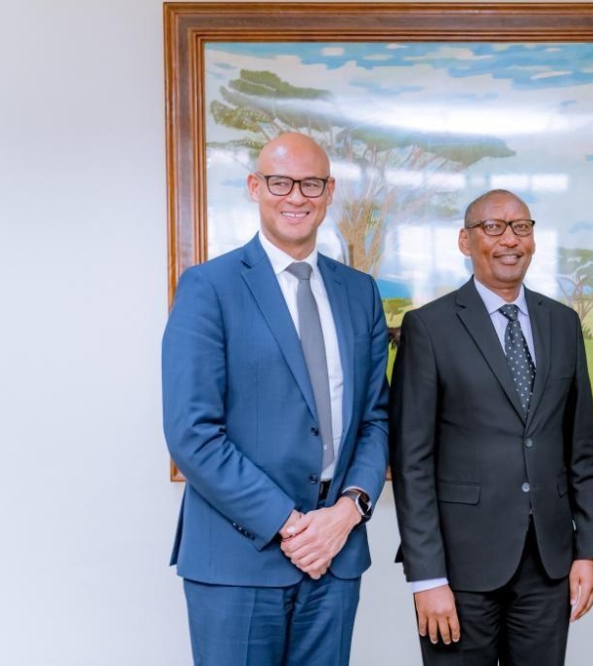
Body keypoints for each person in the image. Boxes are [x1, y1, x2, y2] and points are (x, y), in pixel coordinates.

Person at [162, 132, 390, 665]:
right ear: (254, 187)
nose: (296, 196)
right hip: (237, 558)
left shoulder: (360, 292)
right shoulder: (208, 287)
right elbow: (192, 434)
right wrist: (290, 525)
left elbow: (376, 418)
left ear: (328, 191)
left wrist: (346, 513)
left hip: (335, 556)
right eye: (280, 182)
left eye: (310, 183)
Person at [389, 189, 593, 665]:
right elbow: (412, 461)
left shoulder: (563, 323)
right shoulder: (429, 327)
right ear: (465, 242)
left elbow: (581, 448)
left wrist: (588, 549)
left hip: (549, 563)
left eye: (521, 227)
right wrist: (426, 578)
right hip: (459, 566)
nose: (509, 240)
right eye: (493, 227)